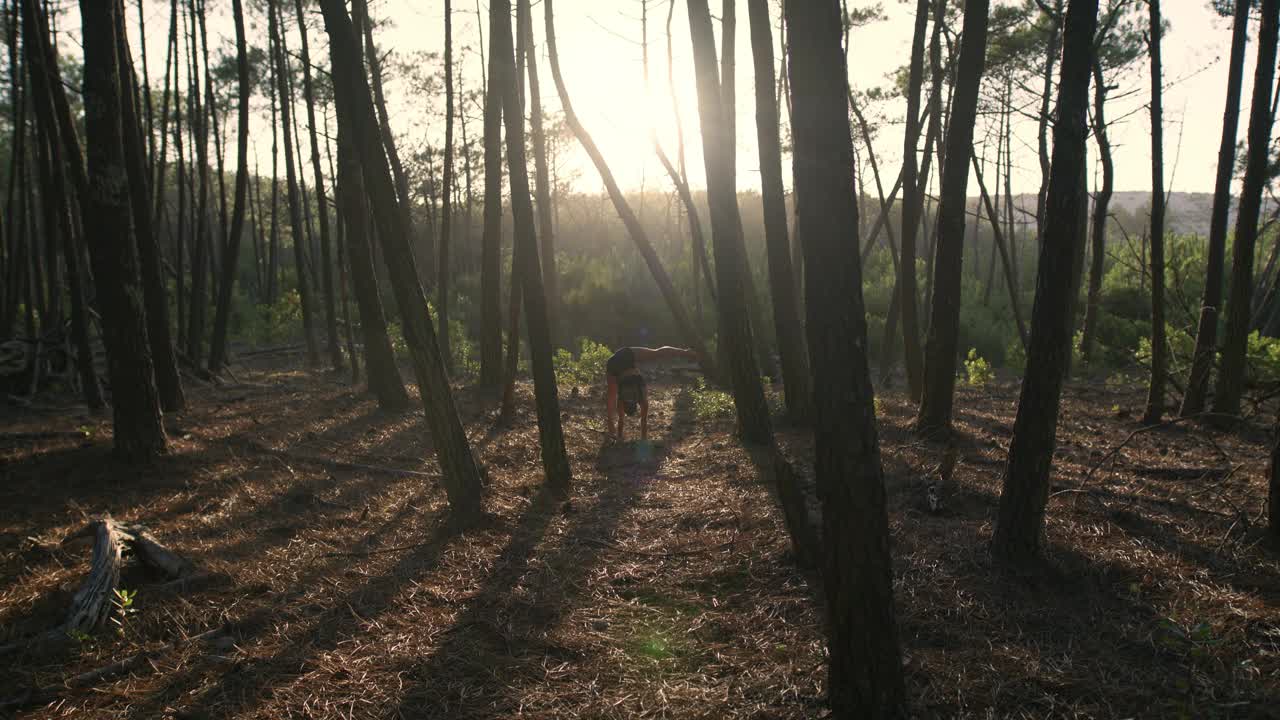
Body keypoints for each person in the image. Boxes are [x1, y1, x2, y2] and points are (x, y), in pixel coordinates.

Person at [605, 345, 699, 441]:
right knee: (656, 353)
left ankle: (686, 352)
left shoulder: (625, 398)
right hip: (624, 359)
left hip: (619, 361)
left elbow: (612, 399)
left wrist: (611, 424)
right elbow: (639, 420)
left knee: (656, 353)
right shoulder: (636, 397)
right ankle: (686, 352)